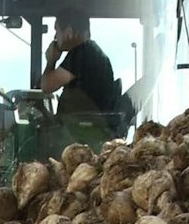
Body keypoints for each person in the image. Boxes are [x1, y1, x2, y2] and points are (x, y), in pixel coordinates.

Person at [38, 11, 127, 141]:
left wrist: (51, 60)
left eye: (57, 31)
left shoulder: (81, 53)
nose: (55, 36)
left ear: (69, 32)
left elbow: (47, 86)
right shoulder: (93, 53)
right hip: (86, 132)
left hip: (80, 135)